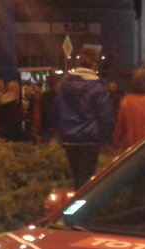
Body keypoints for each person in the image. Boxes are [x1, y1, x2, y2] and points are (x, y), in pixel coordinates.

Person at [55, 46, 114, 189]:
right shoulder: (99, 88)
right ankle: (84, 203)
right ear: (94, 65)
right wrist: (105, 137)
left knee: (77, 179)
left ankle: (77, 201)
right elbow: (105, 116)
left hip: (69, 139)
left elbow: (57, 111)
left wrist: (62, 133)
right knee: (87, 181)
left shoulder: (63, 85)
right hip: (90, 139)